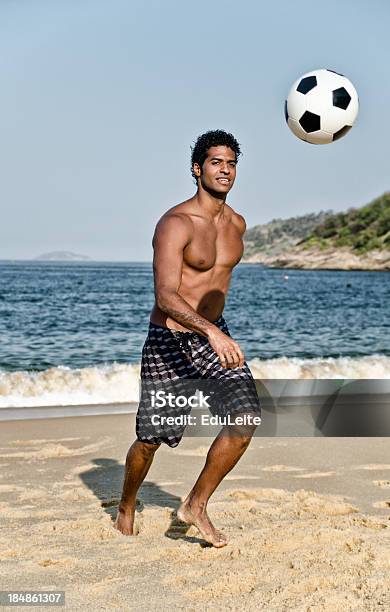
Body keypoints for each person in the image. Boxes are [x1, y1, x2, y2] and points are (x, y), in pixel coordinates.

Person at [114, 129, 261, 547]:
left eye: (231, 163)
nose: (225, 170)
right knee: (150, 439)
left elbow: (216, 282)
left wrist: (216, 330)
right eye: (216, 162)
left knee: (246, 418)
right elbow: (165, 295)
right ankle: (126, 504)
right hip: (170, 342)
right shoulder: (175, 223)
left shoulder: (238, 225)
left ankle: (195, 504)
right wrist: (211, 330)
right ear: (198, 169)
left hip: (213, 340)